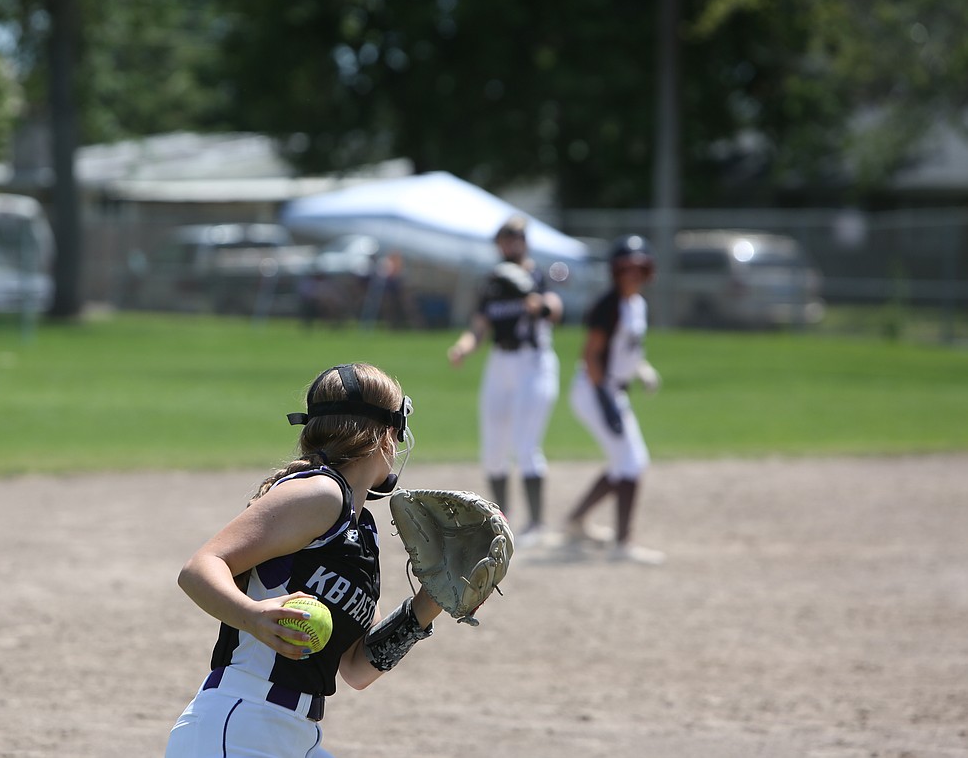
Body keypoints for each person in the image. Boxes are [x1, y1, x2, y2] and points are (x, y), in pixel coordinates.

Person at [164, 363, 441, 758]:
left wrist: (433, 600)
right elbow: (200, 568)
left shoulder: (363, 531)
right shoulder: (321, 494)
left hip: (296, 736)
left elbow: (358, 666)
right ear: (384, 433)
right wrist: (253, 615)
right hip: (241, 725)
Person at [447, 215, 564, 546]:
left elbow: (555, 309)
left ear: (525, 241)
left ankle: (538, 525)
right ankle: (503, 523)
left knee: (526, 445)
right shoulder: (493, 281)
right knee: (493, 448)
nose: (510, 243)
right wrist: (463, 348)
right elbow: (479, 326)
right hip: (500, 362)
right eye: (505, 238)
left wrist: (533, 298)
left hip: (533, 361)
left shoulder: (537, 275)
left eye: (516, 237)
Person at [564, 234, 665, 565]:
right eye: (627, 268)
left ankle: (575, 521)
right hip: (595, 389)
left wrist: (643, 370)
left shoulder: (638, 305)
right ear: (616, 271)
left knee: (626, 461)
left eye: (639, 268)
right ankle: (624, 543)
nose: (633, 274)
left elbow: (629, 351)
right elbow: (591, 356)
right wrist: (605, 401)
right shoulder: (609, 306)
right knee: (631, 463)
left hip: (609, 389)